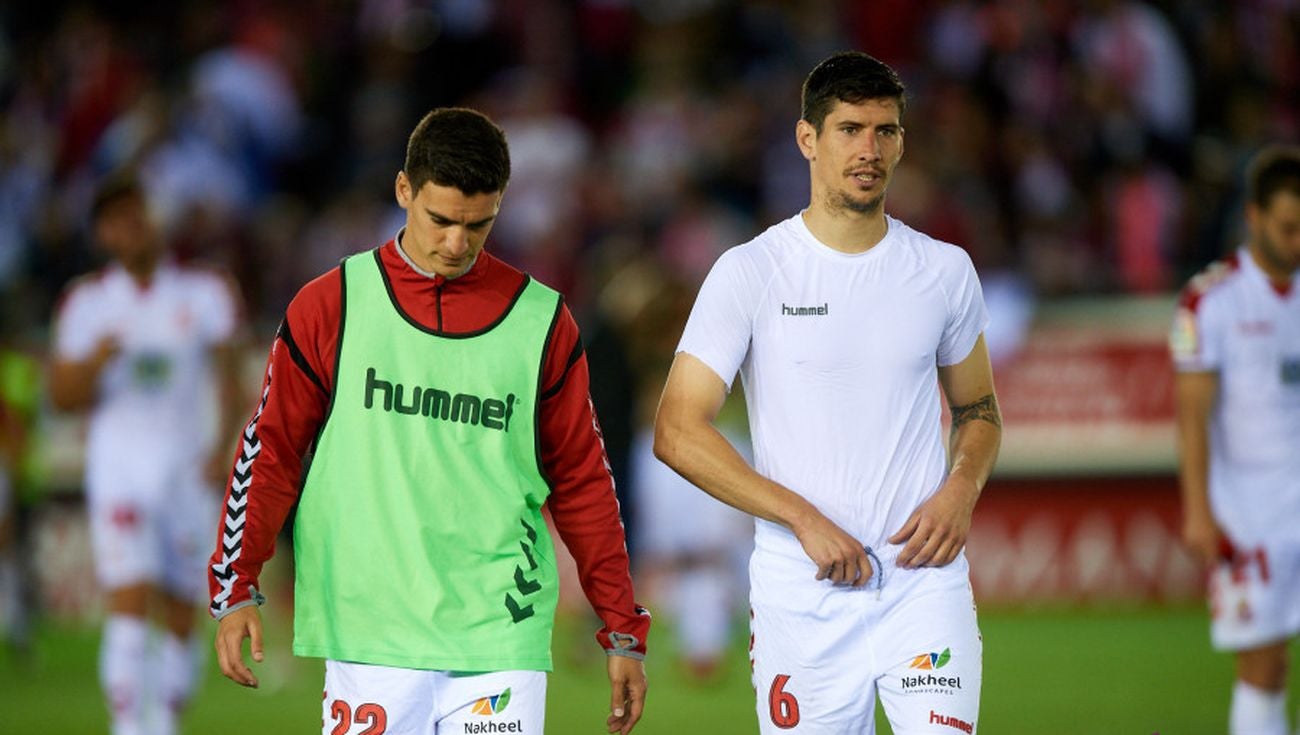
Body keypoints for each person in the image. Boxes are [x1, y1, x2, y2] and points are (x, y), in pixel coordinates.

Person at [209, 107, 650, 735]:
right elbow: (271, 450)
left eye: (479, 225)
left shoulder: (542, 322)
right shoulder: (330, 305)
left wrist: (621, 628)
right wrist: (237, 582)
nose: (456, 244)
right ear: (404, 191)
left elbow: (582, 480)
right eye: (440, 220)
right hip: (369, 630)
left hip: (502, 628)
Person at [654, 51, 1001, 733]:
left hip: (922, 583)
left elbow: (978, 409)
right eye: (850, 129)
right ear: (807, 139)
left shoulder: (944, 270)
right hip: (801, 592)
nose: (870, 149)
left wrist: (961, 489)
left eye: (886, 131)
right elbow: (677, 429)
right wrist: (802, 518)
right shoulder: (751, 271)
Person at [50, 172, 246, 735]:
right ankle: (127, 726)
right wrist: (93, 363)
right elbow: (61, 397)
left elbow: (232, 378)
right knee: (130, 598)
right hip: (119, 473)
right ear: (103, 235)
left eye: (138, 215)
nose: (133, 229)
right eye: (119, 222)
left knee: (183, 608)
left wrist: (223, 449)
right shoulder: (87, 304)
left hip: (187, 473)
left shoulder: (204, 292)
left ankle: (163, 722)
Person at [1171, 144, 1300, 735]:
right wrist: (1199, 511)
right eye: (1288, 228)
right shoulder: (1212, 299)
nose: (1297, 241)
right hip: (1249, 513)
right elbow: (1193, 415)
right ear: (1253, 217)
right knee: (1265, 665)